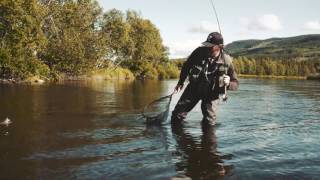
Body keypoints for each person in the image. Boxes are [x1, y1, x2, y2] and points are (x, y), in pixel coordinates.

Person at [171, 32, 239, 126]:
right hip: (194, 88)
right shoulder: (199, 52)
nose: (207, 47)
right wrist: (180, 82)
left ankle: (208, 140)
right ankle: (180, 139)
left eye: (210, 46)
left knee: (209, 122)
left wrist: (228, 83)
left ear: (219, 47)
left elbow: (236, 84)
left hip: (212, 93)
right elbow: (187, 66)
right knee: (177, 115)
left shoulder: (227, 61)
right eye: (207, 45)